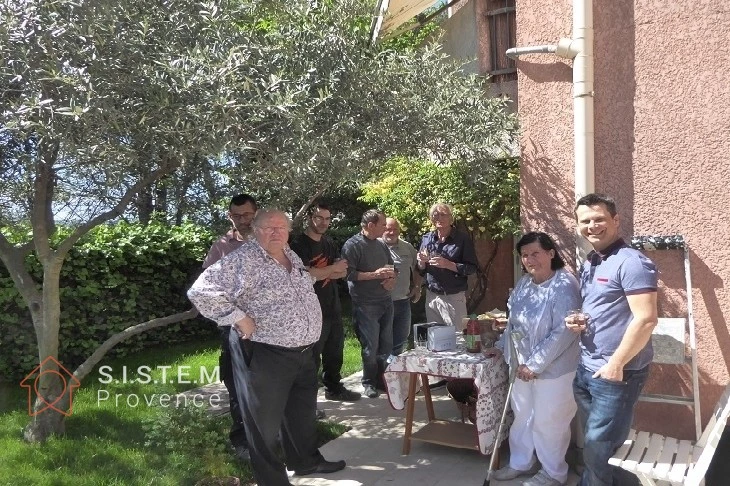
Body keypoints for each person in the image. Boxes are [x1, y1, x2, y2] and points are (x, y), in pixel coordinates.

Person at [188, 209, 346, 486]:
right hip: (267, 353)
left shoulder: (290, 255)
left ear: (288, 232)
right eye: (268, 228)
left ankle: (305, 461)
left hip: (305, 351)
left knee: (301, 414)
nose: (275, 233)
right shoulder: (242, 259)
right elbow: (200, 290)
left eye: (281, 228)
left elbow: (299, 282)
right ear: (255, 230)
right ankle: (272, 481)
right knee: (264, 426)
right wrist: (237, 317)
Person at [568, 193, 658, 486]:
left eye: (599, 219)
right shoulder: (591, 262)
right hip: (587, 368)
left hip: (615, 373)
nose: (592, 226)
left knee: (597, 449)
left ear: (615, 221)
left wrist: (616, 364)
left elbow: (646, 319)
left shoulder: (632, 263)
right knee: (600, 448)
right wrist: (579, 319)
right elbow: (604, 308)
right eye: (585, 221)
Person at [484, 232, 581, 486]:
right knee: (523, 416)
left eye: (535, 253)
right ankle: (521, 462)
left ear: (551, 253)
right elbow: (515, 322)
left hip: (554, 370)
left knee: (550, 421)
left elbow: (564, 332)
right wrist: (501, 343)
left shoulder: (564, 285)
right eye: (525, 255)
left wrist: (535, 364)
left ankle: (553, 472)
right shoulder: (525, 283)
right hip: (521, 365)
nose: (529, 259)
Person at [201, 193, 257, 461]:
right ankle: (242, 441)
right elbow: (207, 289)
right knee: (238, 384)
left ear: (255, 214)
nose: (242, 220)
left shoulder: (269, 241)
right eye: (237, 216)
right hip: (235, 327)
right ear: (229, 216)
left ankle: (271, 433)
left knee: (268, 381)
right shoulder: (221, 247)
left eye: (247, 215)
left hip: (270, 326)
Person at [290, 203, 361, 401]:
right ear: (309, 219)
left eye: (327, 219)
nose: (323, 222)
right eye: (319, 218)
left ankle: (333, 388)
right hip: (310, 310)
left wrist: (325, 272)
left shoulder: (329, 243)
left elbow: (343, 271)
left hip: (332, 305)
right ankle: (306, 400)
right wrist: (331, 269)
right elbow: (305, 275)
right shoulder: (297, 244)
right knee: (312, 357)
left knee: (335, 352)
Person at [341, 209, 396, 398]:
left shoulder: (381, 245)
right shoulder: (352, 245)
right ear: (371, 225)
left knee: (386, 345)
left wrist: (392, 278)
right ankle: (369, 383)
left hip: (385, 301)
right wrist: (374, 275)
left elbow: (392, 267)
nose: (385, 228)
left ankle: (381, 380)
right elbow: (348, 274)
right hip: (366, 305)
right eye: (382, 224)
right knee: (370, 347)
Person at [416, 202, 478, 329]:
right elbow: (422, 270)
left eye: (443, 214)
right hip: (432, 296)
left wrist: (448, 264)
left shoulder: (462, 239)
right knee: (436, 337)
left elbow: (471, 268)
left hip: (453, 297)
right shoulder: (427, 239)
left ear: (451, 218)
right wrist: (421, 262)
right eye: (436, 215)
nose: (439, 218)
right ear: (431, 218)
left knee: (458, 337)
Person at [380, 217, 422, 355]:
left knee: (400, 340)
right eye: (388, 229)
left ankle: (394, 371)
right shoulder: (374, 246)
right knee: (381, 341)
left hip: (402, 302)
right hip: (380, 303)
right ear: (382, 229)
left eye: (395, 229)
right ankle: (379, 373)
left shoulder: (407, 247)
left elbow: (417, 267)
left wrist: (417, 287)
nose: (392, 232)